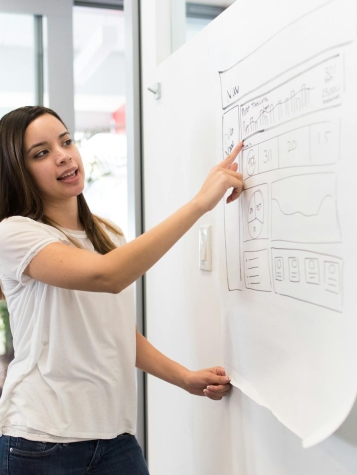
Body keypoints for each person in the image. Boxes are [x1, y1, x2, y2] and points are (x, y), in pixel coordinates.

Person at [0, 106, 243, 474]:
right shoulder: (15, 233)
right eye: (42, 152)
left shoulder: (107, 233)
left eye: (66, 141)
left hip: (115, 438)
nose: (64, 155)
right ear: (19, 172)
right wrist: (199, 205)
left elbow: (112, 332)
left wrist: (184, 377)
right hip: (40, 440)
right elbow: (108, 276)